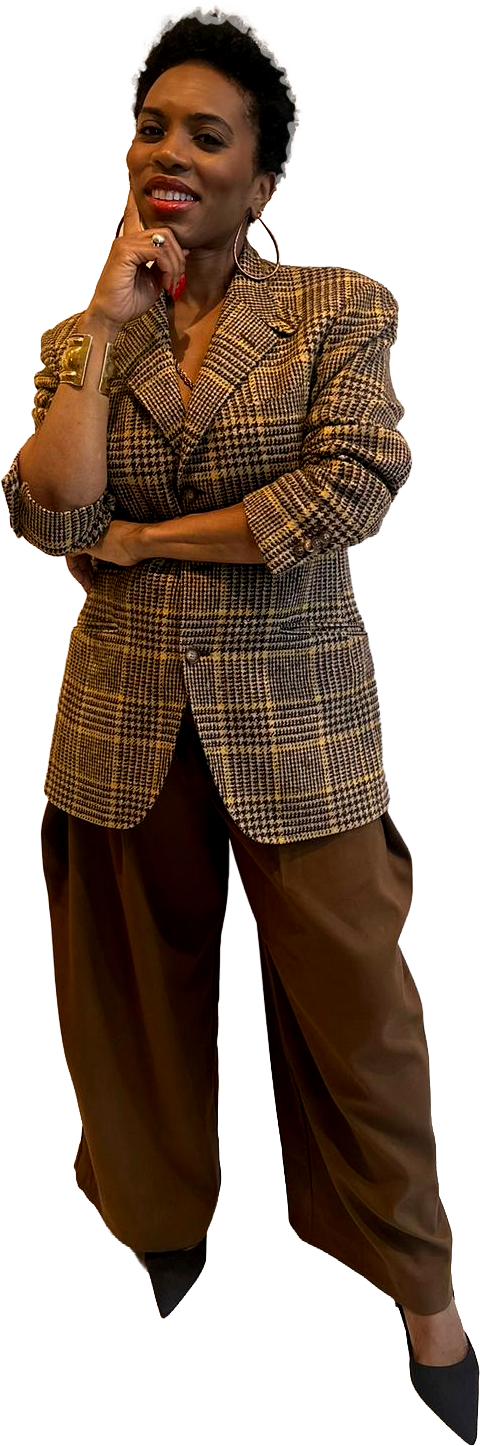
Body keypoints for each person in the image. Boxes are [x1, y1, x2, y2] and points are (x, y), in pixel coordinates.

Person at [2, 5, 478, 1440]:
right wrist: (104, 328)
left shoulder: (335, 310)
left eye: (206, 135)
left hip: (301, 723)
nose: (169, 152)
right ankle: (161, 1214)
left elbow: (346, 486)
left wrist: (147, 543)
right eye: (151, 127)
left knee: (362, 1011)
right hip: (123, 719)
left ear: (261, 177)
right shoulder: (81, 336)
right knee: (135, 986)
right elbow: (49, 510)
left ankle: (424, 1289)